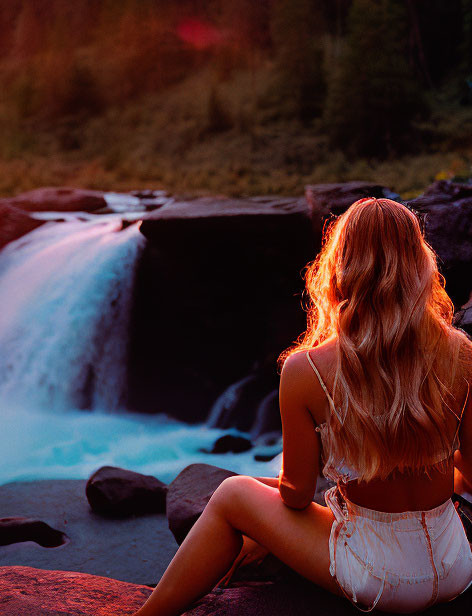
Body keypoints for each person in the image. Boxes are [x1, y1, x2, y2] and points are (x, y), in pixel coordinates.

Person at [133, 197, 472, 615]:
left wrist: (265, 510)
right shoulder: (460, 353)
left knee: (233, 493)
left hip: (379, 579)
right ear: (420, 264)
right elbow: (470, 473)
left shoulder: (306, 368)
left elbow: (296, 495)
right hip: (455, 565)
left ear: (340, 264)